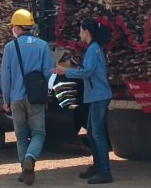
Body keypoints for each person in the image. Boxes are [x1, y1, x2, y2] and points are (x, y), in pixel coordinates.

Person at [53, 19, 113, 185]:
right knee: (92, 133)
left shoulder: (93, 49)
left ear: (87, 31)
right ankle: (98, 167)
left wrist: (66, 71)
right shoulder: (92, 48)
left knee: (97, 134)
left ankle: (105, 171)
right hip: (95, 96)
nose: (79, 33)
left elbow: (87, 72)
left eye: (81, 29)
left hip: (99, 96)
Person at [0, 9, 53, 186]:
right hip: (35, 98)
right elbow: (47, 73)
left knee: (21, 136)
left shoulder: (9, 47)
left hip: (15, 98)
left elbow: (5, 77)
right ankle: (31, 157)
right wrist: (44, 94)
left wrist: (5, 100)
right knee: (38, 133)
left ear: (16, 27)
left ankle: (25, 168)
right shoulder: (43, 45)